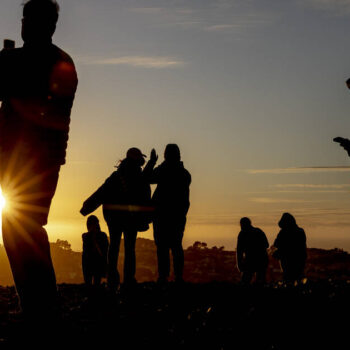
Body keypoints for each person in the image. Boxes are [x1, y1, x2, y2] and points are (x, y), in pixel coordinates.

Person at [0, 0, 78, 318]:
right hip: (44, 158)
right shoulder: (62, 61)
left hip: (23, 157)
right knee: (26, 226)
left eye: (27, 19)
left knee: (20, 227)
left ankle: (39, 304)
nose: (23, 24)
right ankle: (39, 302)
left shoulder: (28, 61)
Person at [80, 148, 152, 289]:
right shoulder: (140, 177)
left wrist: (86, 208)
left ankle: (112, 280)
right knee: (129, 249)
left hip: (113, 219)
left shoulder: (116, 176)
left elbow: (100, 193)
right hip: (132, 218)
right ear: (139, 160)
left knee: (113, 248)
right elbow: (145, 197)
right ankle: (129, 280)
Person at [146, 144, 191, 284]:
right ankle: (178, 277)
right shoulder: (185, 174)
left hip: (161, 215)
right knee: (176, 246)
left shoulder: (164, 170)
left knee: (162, 247)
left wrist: (153, 162)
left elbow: (147, 178)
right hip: (177, 215)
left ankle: (163, 277)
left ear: (165, 155)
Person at [272, 213, 307, 283]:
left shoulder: (283, 232)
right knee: (298, 277)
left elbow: (276, 244)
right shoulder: (300, 231)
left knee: (288, 277)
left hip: (286, 259)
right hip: (299, 258)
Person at [236, 217, 269, 285]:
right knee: (260, 281)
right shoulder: (258, 231)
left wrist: (239, 264)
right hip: (261, 259)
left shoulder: (242, 234)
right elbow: (267, 245)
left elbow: (239, 251)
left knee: (246, 281)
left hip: (252, 260)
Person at [82, 215, 109, 286]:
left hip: (95, 263)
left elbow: (105, 250)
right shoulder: (86, 236)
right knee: (93, 283)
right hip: (93, 263)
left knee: (94, 283)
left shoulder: (87, 236)